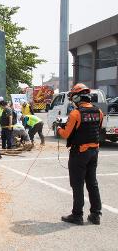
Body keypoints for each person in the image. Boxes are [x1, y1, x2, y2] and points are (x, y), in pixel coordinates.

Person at [58, 83, 103, 225]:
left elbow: (66, 134)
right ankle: (96, 215)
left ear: (77, 98)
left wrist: (58, 128)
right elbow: (96, 129)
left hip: (79, 153)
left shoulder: (75, 113)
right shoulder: (99, 112)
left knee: (77, 184)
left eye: (73, 98)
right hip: (94, 151)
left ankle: (77, 215)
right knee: (92, 183)